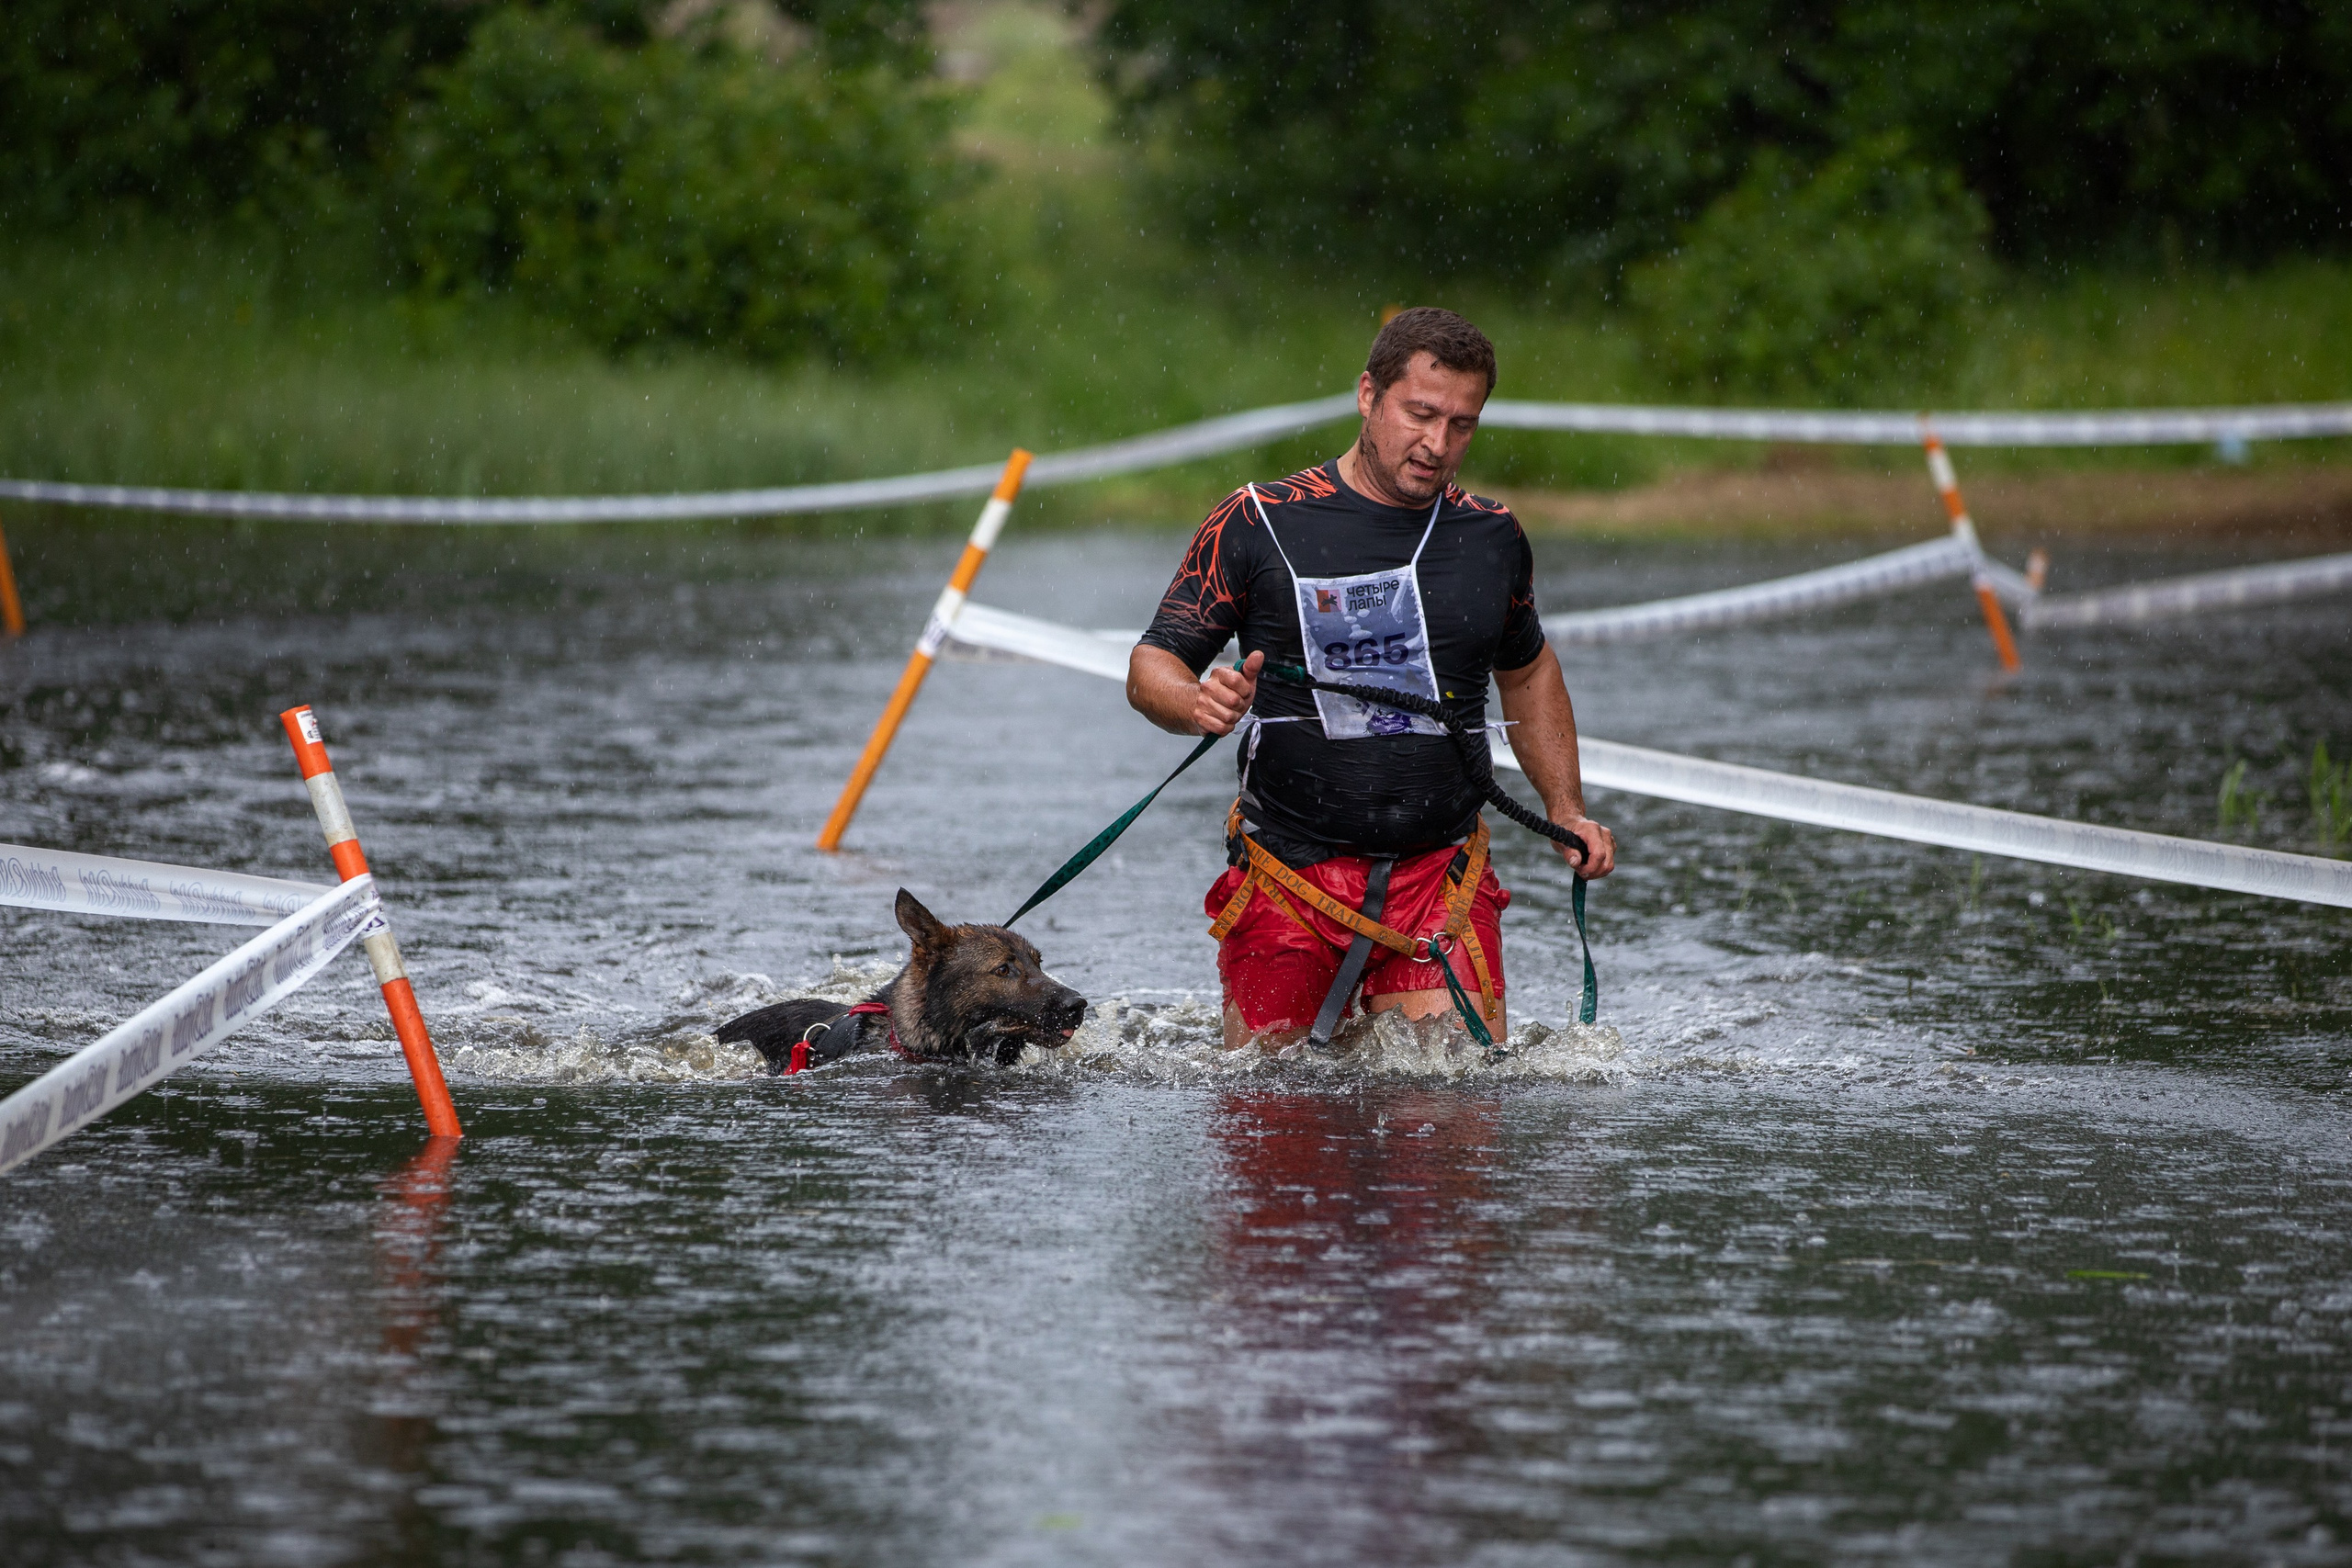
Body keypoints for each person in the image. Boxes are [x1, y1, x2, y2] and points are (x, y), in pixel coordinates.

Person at [1126, 307, 1617, 1051]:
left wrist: (1568, 806)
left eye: (1462, 424)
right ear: (1367, 395)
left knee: (1448, 1125)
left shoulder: (1493, 537)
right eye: (1420, 414)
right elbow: (1149, 666)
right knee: (1278, 1124)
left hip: (1439, 879)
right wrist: (1196, 701)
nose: (1437, 444)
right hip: (1290, 872)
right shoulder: (1258, 520)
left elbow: (1528, 670)